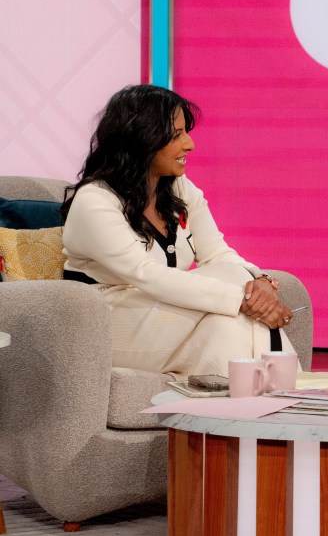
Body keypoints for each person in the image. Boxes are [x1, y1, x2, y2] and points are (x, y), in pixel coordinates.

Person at [61, 84, 298, 379]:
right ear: (141, 139)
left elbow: (218, 254)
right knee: (237, 293)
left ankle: (249, 412)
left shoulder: (178, 188)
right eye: (176, 135)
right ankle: (290, 392)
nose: (190, 144)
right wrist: (243, 296)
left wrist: (259, 281)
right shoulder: (94, 201)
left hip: (164, 312)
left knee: (228, 326)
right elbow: (146, 274)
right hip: (111, 322)